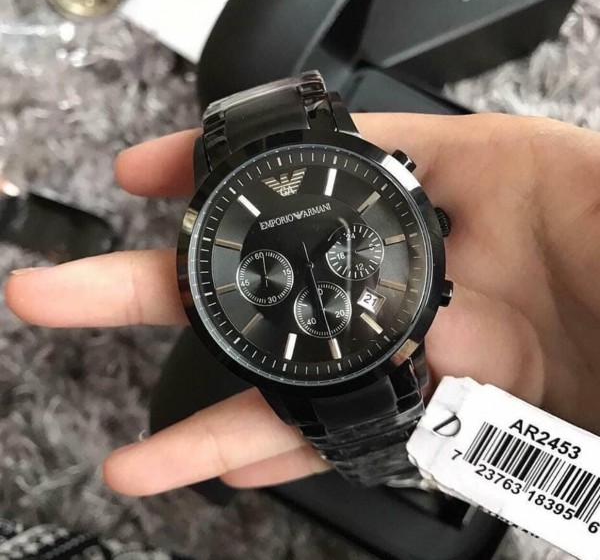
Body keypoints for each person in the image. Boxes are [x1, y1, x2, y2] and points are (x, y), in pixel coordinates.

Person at [5, 113, 600, 497]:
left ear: (430, 228)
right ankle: (390, 470)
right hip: (325, 361)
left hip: (372, 349)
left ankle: (392, 468)